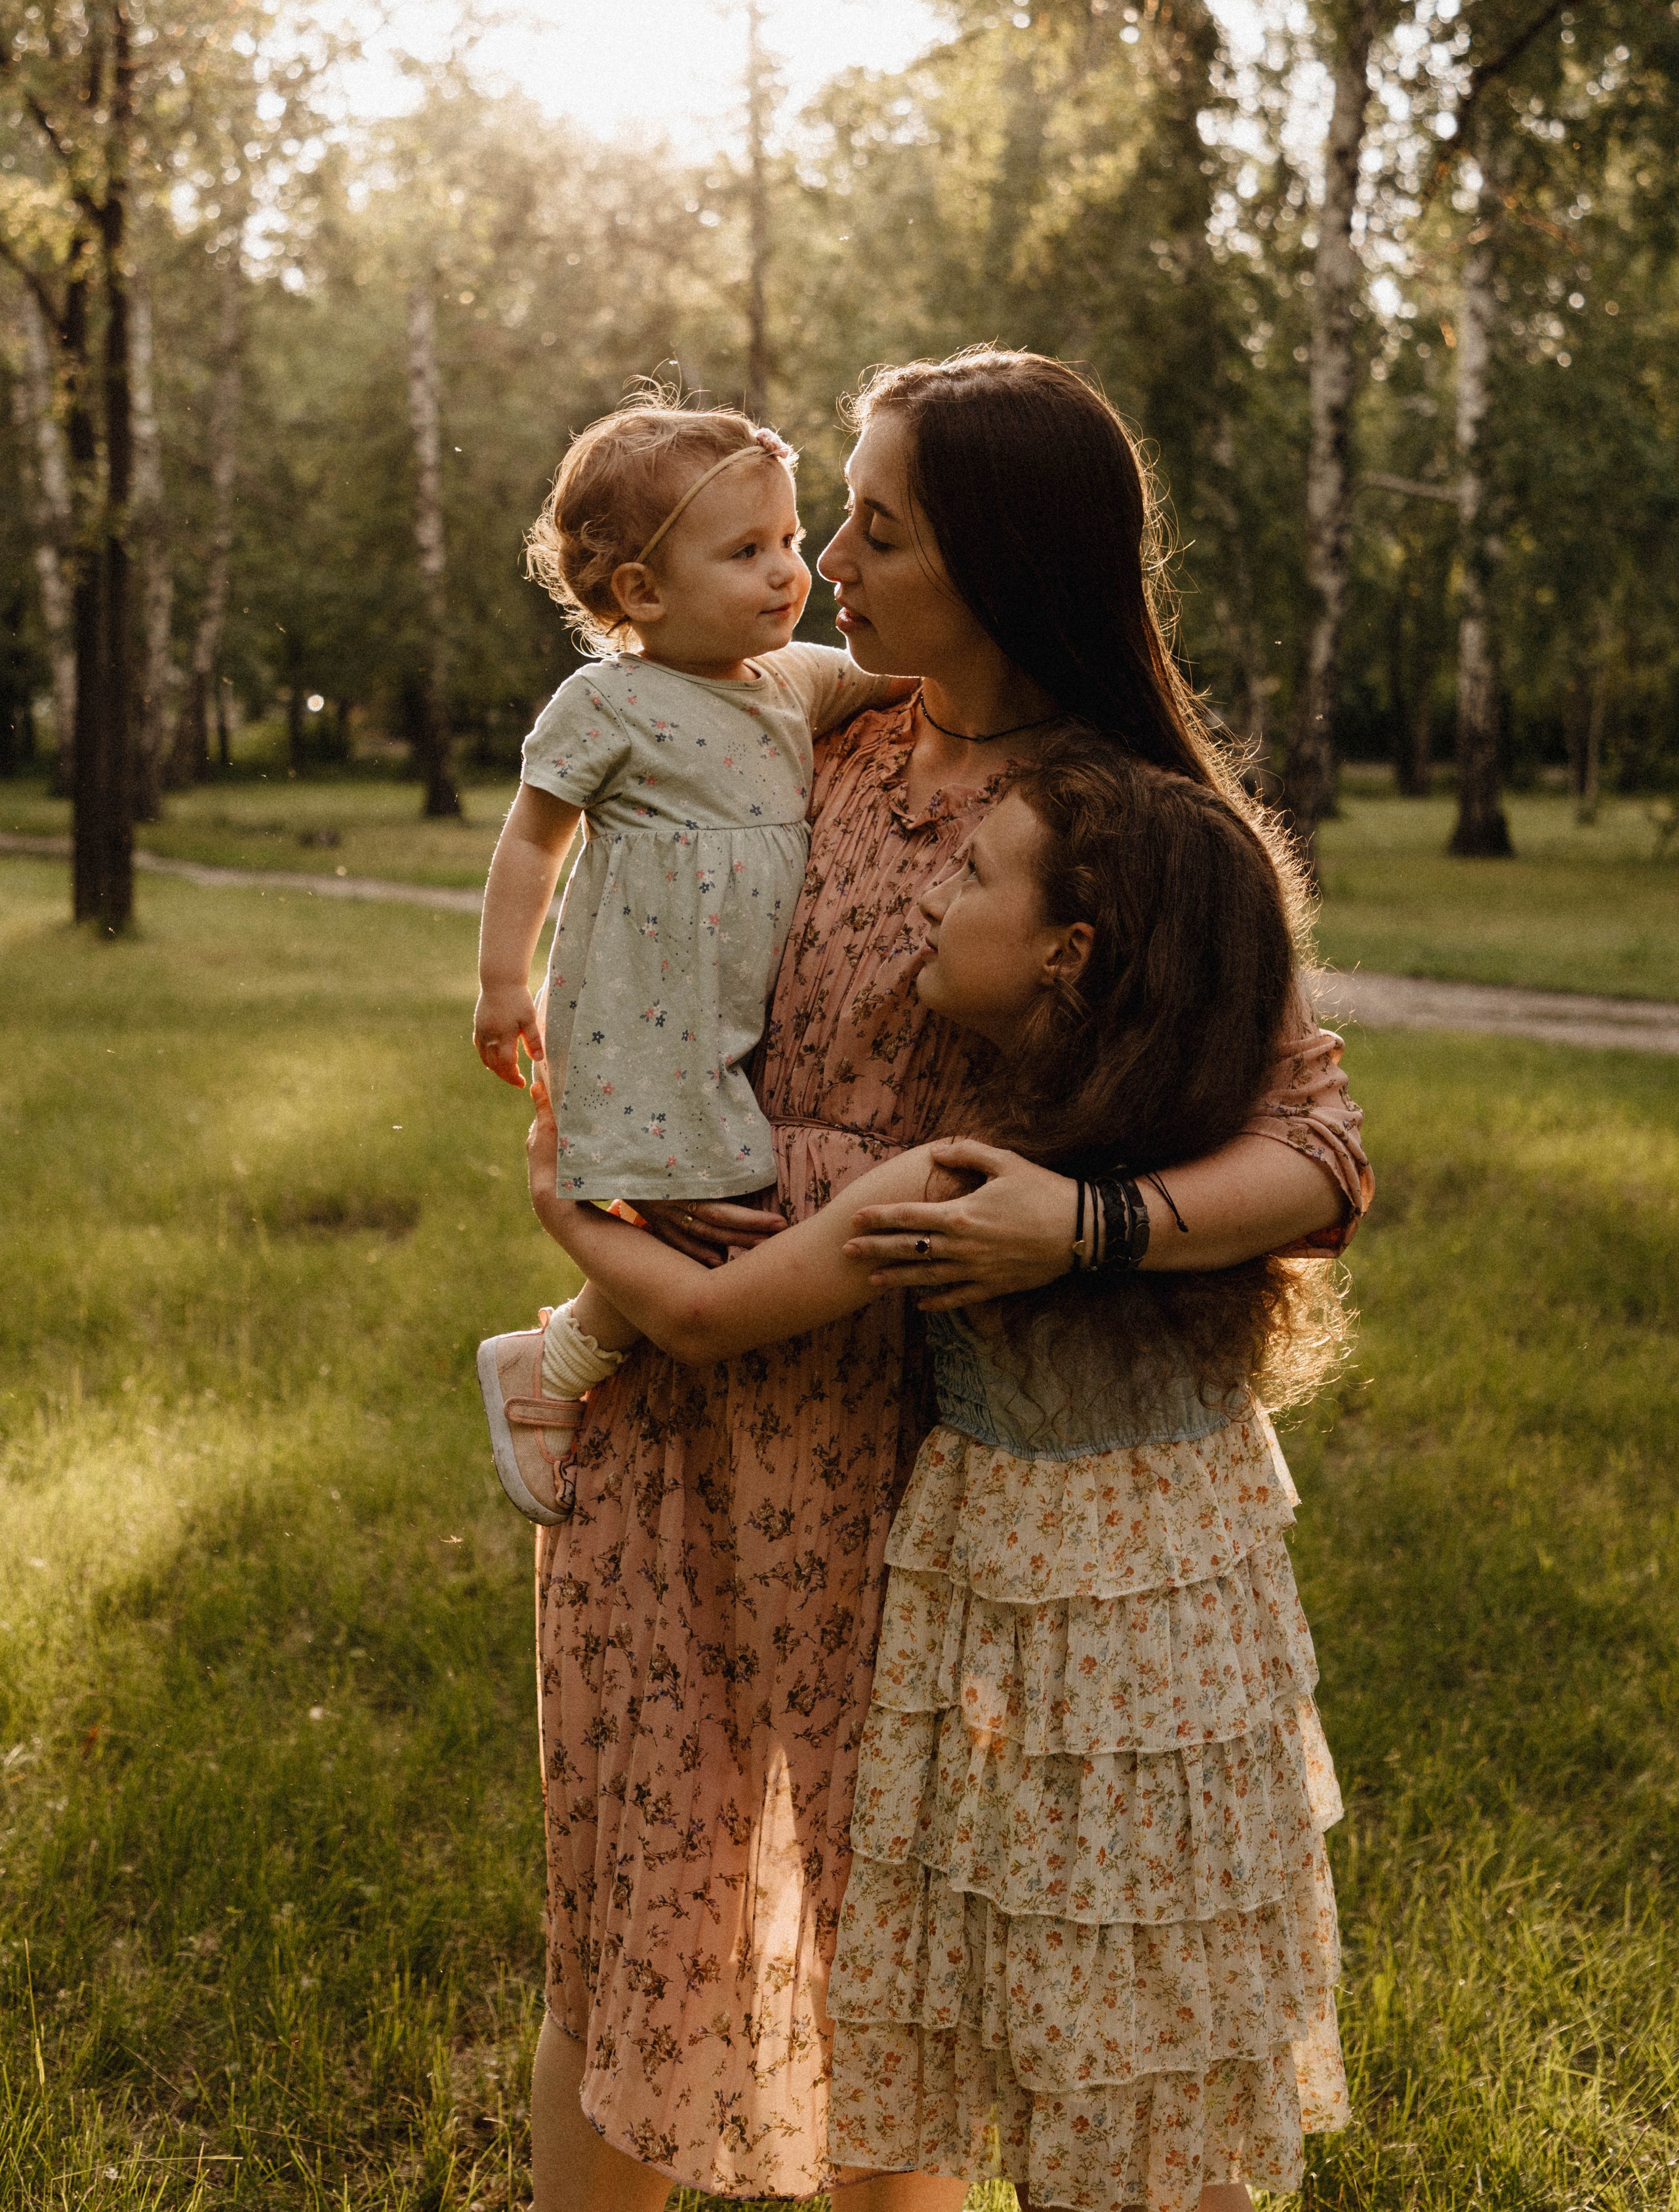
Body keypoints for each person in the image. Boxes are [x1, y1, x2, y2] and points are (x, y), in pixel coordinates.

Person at [517, 348, 1372, 2212]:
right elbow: (621, 991)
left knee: (873, 1956)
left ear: (1000, 558)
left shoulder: (1132, 827)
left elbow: (1319, 1158)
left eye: (878, 528)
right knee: (629, 1918)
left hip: (918, 1475)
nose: (827, 560)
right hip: (676, 1424)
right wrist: (598, 1231)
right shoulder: (801, 730)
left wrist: (1083, 1228)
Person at [470, 391, 908, 1518]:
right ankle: (556, 1368)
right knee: (713, 1206)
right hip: (644, 1006)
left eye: (792, 542)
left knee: (719, 1204)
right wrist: (500, 982)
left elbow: (912, 677)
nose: (788, 573)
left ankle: (573, 1359)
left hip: (733, 1012)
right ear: (644, 593)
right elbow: (531, 843)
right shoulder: (608, 703)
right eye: (748, 551)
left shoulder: (791, 682)